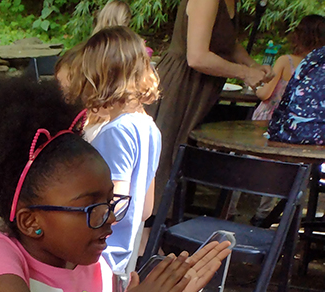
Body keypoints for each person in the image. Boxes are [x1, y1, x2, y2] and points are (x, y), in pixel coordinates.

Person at [0, 76, 230, 292]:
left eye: (110, 202)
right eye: (91, 208)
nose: (110, 219)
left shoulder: (97, 271)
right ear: (30, 221)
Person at [65, 26, 161, 277]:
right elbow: (145, 210)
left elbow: (113, 206)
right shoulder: (149, 128)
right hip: (122, 255)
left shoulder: (114, 133)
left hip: (97, 258)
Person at [150, 0, 271, 197]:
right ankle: (150, 224)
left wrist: (252, 65)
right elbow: (197, 57)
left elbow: (225, 42)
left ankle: (171, 219)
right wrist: (245, 73)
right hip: (181, 86)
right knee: (165, 161)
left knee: (182, 160)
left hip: (202, 89)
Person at [252, 14, 325, 120]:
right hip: (296, 120)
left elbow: (265, 94)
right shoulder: (320, 67)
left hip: (270, 118)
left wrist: (255, 86)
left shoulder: (286, 61)